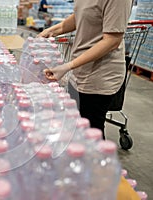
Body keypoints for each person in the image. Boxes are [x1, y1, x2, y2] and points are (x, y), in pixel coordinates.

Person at [38, 0, 133, 139]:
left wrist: (67, 66)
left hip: (99, 75)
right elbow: (80, 15)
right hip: (79, 69)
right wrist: (51, 30)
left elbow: (112, 40)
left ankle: (95, 160)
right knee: (77, 126)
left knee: (91, 131)